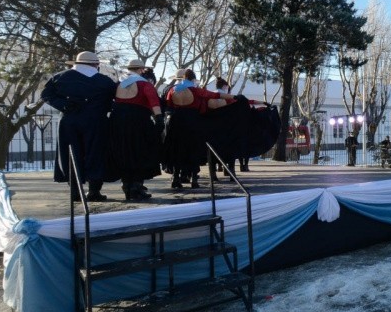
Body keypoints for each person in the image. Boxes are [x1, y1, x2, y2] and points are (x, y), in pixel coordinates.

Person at [41, 51, 116, 201]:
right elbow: (112, 101)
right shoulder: (105, 81)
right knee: (96, 153)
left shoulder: (60, 77)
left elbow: (46, 95)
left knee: (71, 153)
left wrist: (64, 105)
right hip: (96, 121)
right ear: (95, 64)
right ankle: (94, 191)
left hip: (70, 120)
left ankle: (75, 191)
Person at [162, 69, 241, 189]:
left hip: (176, 120)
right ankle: (194, 179)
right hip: (193, 121)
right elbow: (215, 95)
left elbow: (169, 105)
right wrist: (235, 96)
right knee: (193, 149)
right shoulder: (197, 90)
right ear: (193, 79)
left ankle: (176, 178)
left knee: (177, 149)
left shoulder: (172, 90)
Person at [106, 59, 163, 201]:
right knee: (140, 152)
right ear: (141, 70)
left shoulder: (119, 84)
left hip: (118, 122)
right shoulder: (145, 84)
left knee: (124, 152)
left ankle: (126, 186)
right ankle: (136, 187)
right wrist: (159, 120)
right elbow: (154, 102)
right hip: (139, 121)